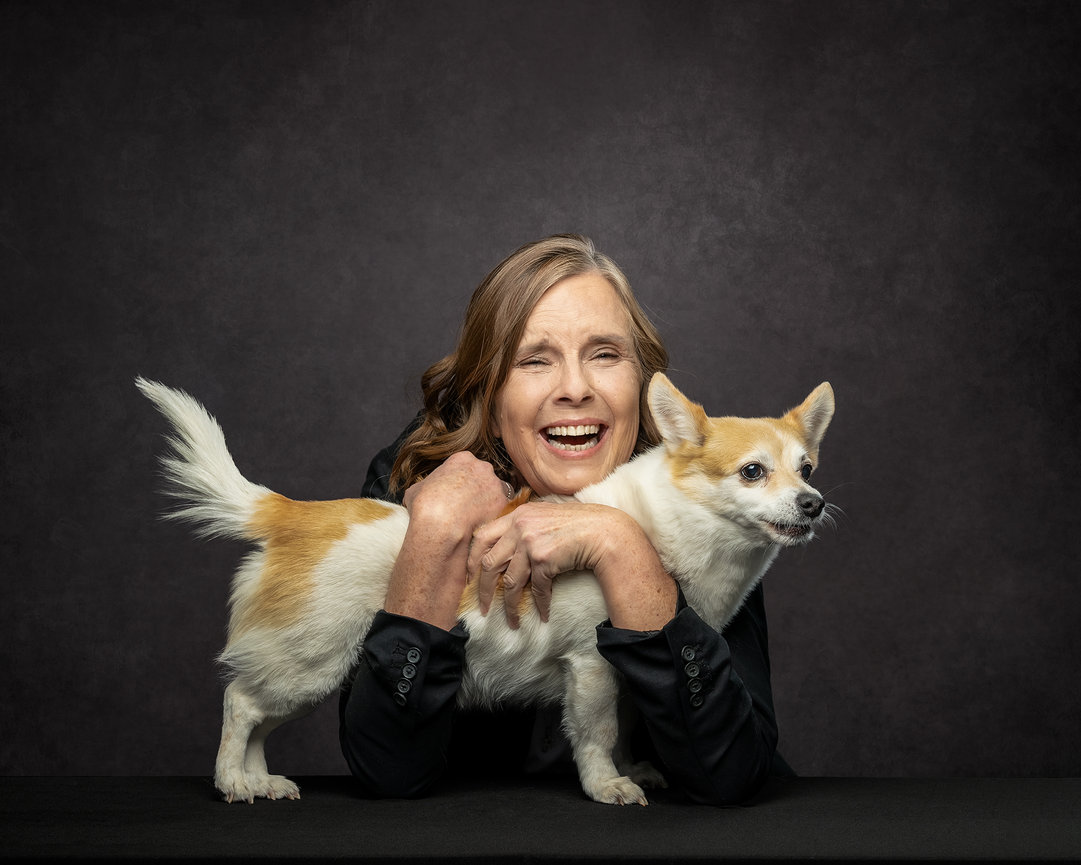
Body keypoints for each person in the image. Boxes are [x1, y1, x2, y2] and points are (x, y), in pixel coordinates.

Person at [339, 234, 787, 805]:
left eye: (605, 355)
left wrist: (619, 543)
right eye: (534, 360)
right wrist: (431, 536)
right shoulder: (414, 479)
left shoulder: (699, 494)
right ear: (490, 395)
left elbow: (731, 773)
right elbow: (388, 770)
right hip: (474, 843)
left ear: (642, 386)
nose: (575, 389)